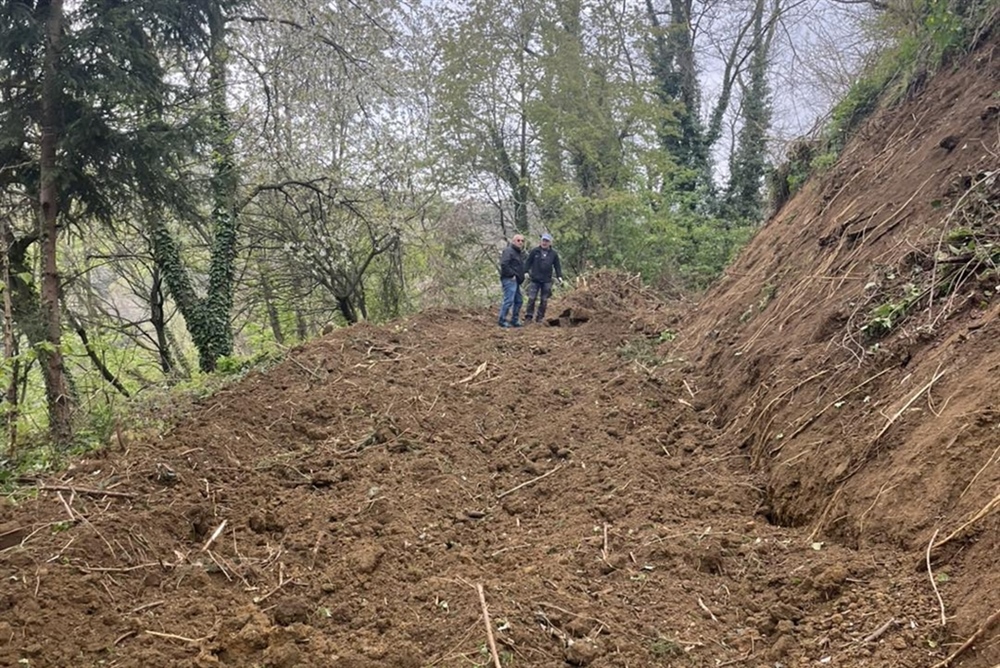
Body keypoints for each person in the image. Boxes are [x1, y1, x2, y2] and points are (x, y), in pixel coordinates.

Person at [524, 233, 563, 324]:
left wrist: (559, 276)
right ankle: (528, 317)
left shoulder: (553, 254)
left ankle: (540, 318)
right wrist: (525, 271)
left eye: (546, 241)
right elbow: (528, 262)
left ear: (550, 243)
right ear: (540, 241)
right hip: (535, 279)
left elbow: (557, 266)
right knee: (532, 298)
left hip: (547, 280)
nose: (544, 243)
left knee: (544, 300)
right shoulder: (535, 251)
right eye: (543, 241)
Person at [497, 234, 526, 328]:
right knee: (509, 300)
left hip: (516, 280)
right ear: (513, 241)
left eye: (522, 241)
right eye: (518, 240)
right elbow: (504, 264)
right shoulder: (508, 251)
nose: (520, 242)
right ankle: (502, 320)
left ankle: (514, 320)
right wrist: (511, 274)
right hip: (509, 279)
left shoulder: (518, 253)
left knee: (519, 300)